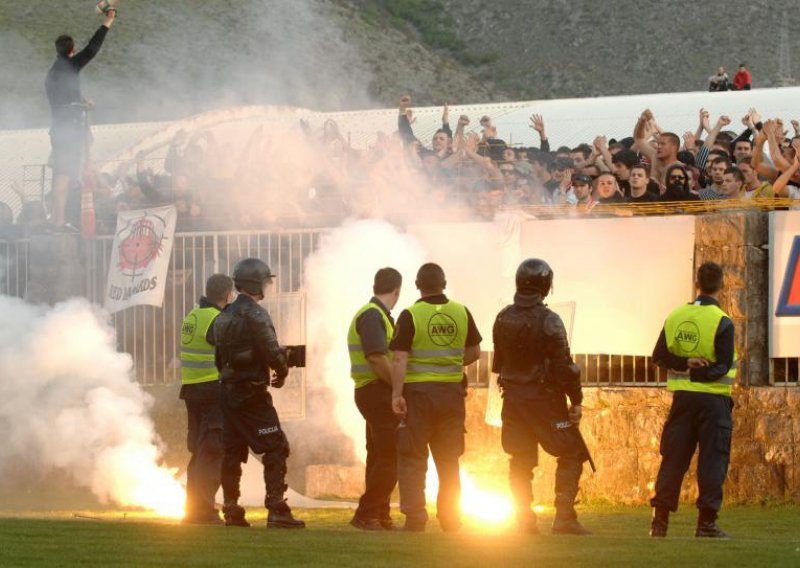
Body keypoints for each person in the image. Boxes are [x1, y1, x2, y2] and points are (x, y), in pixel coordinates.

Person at [492, 259, 591, 535]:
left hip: (513, 401)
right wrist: (576, 399)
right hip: (545, 402)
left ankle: (523, 520)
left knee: (520, 459)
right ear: (545, 286)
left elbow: (498, 364)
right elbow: (564, 367)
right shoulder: (550, 321)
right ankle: (564, 518)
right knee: (572, 451)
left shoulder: (502, 318)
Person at [209, 258, 305, 529]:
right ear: (256, 284)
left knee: (232, 452)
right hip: (252, 395)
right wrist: (282, 369)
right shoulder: (256, 314)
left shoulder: (223, 316)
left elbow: (220, 357)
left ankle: (231, 509)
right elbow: (271, 351)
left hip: (227, 394)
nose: (268, 286)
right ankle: (277, 508)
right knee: (276, 446)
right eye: (265, 281)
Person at [390, 263, 482, 532]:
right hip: (451, 396)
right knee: (448, 460)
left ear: (417, 285)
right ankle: (451, 520)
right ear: (444, 284)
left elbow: (399, 359)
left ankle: (416, 518)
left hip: (418, 396)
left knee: (413, 458)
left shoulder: (410, 315)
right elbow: (474, 352)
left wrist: (397, 394)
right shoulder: (461, 312)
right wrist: (450, 364)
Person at [650, 262, 736, 538]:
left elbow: (659, 357)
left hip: (683, 400)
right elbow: (722, 366)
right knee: (712, 461)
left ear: (696, 283)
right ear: (721, 284)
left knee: (673, 459)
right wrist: (699, 372)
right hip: (713, 402)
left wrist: (685, 365)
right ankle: (706, 525)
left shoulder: (675, 316)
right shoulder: (722, 321)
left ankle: (659, 523)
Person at [45, 9, 117, 231]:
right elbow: (93, 49)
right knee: (66, 175)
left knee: (61, 175)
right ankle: (59, 222)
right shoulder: (70, 65)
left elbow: (62, 100)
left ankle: (58, 220)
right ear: (71, 50)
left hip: (58, 129)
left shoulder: (51, 74)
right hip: (70, 130)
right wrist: (108, 20)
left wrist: (82, 102)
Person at [348, 268, 403, 531]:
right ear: (397, 290)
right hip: (376, 391)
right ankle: (368, 512)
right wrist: (398, 389)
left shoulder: (373, 313)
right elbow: (377, 357)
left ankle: (379, 514)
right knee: (391, 455)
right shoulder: (373, 315)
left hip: (370, 391)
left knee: (379, 455)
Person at [179, 274, 234, 525]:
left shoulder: (192, 316)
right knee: (211, 451)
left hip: (192, 390)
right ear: (228, 295)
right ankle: (203, 510)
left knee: (198, 451)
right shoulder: (218, 319)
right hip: (213, 391)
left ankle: (193, 509)